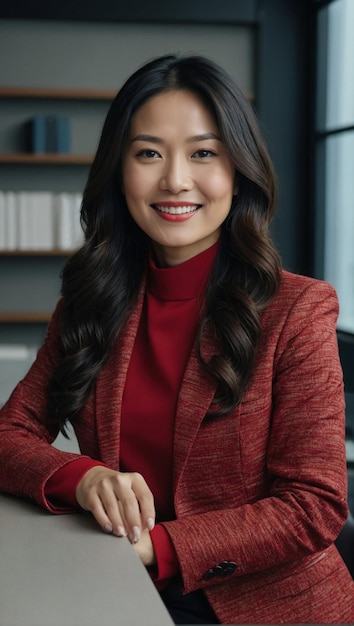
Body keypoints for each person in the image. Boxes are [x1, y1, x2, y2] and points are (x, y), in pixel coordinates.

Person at [0, 54, 353, 625]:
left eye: (203, 153)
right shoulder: (90, 305)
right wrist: (83, 477)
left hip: (266, 608)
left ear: (238, 171)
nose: (175, 180)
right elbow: (8, 434)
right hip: (121, 587)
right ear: (120, 169)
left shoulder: (298, 310)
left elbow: (314, 506)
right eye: (149, 154)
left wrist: (159, 548)